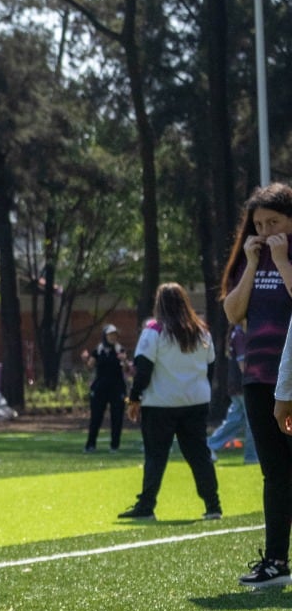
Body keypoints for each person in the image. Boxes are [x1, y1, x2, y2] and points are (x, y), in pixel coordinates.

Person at [219, 182, 292, 588]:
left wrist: (281, 259)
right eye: (258, 224)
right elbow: (232, 312)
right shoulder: (253, 255)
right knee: (275, 473)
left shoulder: (285, 253)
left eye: (274, 222)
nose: (265, 232)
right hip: (260, 378)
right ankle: (276, 561)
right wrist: (251, 264)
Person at [116, 283, 220, 523]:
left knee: (155, 455)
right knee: (198, 455)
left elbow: (143, 369)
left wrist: (134, 398)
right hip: (195, 402)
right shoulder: (202, 331)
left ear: (159, 303)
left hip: (161, 403)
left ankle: (146, 505)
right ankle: (213, 505)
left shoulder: (154, 330)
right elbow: (211, 367)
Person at [206, 324, 257, 464]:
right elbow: (243, 365)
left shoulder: (237, 332)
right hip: (243, 385)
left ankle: (207, 447)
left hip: (236, 384)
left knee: (234, 421)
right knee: (252, 422)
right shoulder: (240, 333)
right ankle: (252, 457)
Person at [82, 324, 129, 452]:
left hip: (117, 387)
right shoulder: (98, 349)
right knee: (96, 417)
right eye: (110, 334)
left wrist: (124, 361)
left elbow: (126, 369)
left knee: (117, 417)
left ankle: (115, 445)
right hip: (100, 387)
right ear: (105, 336)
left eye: (114, 334)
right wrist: (85, 360)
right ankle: (90, 444)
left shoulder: (120, 349)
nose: (112, 337)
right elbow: (90, 366)